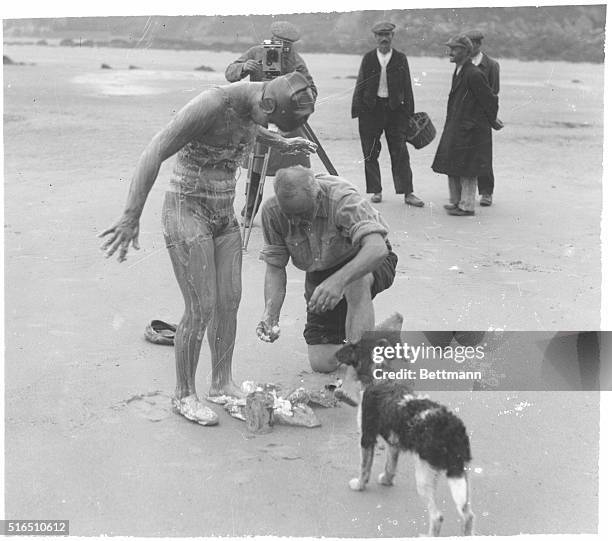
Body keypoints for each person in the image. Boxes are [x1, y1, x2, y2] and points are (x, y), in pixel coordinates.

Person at [99, 73, 317, 426]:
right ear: (266, 103)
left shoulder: (255, 107)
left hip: (222, 213)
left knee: (229, 301)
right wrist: (131, 215)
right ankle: (184, 394)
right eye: (273, 121)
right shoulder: (211, 104)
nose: (271, 126)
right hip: (187, 209)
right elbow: (155, 148)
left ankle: (221, 383)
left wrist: (281, 144)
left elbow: (247, 129)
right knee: (200, 307)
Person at [256, 165, 398, 377]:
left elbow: (377, 248)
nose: (295, 221)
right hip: (322, 271)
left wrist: (338, 281)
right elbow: (275, 268)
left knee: (354, 283)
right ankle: (377, 336)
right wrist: (271, 313)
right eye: (289, 214)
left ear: (318, 196)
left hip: (365, 260)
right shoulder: (271, 211)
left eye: (302, 214)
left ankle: (358, 372)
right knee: (321, 362)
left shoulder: (342, 200)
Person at [225, 21, 318, 223]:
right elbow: (229, 72)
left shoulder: (295, 61)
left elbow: (311, 90)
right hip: (261, 116)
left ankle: (295, 209)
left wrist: (296, 98)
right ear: (272, 39)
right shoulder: (256, 52)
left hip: (286, 122)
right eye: (279, 43)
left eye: (287, 45)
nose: (282, 48)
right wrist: (242, 67)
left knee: (295, 167)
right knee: (257, 169)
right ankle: (249, 211)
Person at [351, 21, 423, 207]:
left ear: (392, 37)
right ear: (375, 38)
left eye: (387, 35)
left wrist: (410, 114)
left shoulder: (400, 58)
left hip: (395, 112)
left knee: (400, 152)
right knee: (370, 152)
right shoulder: (368, 58)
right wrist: (357, 110)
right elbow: (360, 83)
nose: (384, 39)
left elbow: (407, 86)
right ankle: (376, 190)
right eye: (380, 36)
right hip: (370, 111)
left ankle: (408, 193)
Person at [432, 34, 502, 216]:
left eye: (454, 49)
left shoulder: (473, 73)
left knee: (468, 169)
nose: (450, 53)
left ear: (465, 51)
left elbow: (490, 100)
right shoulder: (460, 70)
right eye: (450, 48)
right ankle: (456, 202)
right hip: (458, 127)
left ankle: (467, 206)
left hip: (470, 129)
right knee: (454, 164)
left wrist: (491, 121)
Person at [465, 30, 500, 207]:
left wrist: (492, 119)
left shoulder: (492, 66)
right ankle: (465, 192)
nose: (467, 48)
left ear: (478, 45)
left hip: (482, 118)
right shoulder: (462, 64)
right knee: (463, 154)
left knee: (484, 156)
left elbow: (493, 94)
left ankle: (486, 193)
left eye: (470, 44)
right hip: (464, 118)